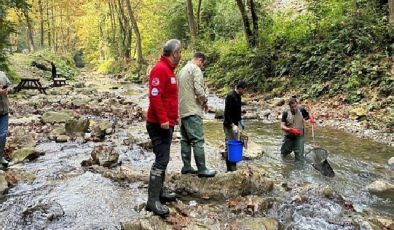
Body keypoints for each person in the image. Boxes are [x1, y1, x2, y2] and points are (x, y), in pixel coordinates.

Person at [145, 39, 182, 216]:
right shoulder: (160, 69)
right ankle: (152, 201)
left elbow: (170, 98)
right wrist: (163, 120)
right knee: (161, 160)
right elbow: (155, 96)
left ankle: (159, 193)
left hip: (168, 121)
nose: (181, 55)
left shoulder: (169, 70)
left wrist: (176, 117)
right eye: (180, 52)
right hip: (158, 123)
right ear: (173, 53)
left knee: (164, 159)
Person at [178, 52, 216, 178]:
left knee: (185, 140)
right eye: (203, 64)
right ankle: (202, 169)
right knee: (198, 140)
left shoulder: (182, 70)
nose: (202, 66)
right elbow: (199, 90)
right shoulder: (195, 69)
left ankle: (187, 166)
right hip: (193, 110)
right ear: (200, 60)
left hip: (182, 110)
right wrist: (205, 102)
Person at [223, 80, 247, 172]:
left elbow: (238, 110)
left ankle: (233, 165)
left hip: (235, 124)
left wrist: (240, 120)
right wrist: (232, 124)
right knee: (229, 145)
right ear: (240, 88)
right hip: (229, 125)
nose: (245, 92)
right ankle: (229, 167)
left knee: (235, 144)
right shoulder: (230, 96)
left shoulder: (239, 96)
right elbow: (227, 113)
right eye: (244, 90)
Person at [280, 96, 313, 161]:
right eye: (292, 107)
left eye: (295, 106)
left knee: (299, 157)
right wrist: (290, 130)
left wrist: (311, 118)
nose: (294, 108)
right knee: (284, 153)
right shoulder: (286, 112)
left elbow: (308, 115)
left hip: (299, 136)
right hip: (289, 136)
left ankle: (299, 169)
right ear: (289, 106)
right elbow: (282, 126)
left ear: (297, 104)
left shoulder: (301, 110)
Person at [0, 71, 14, 169]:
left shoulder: (2, 74)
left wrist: (7, 90)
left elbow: (11, 87)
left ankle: (0, 157)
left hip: (4, 111)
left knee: (3, 134)